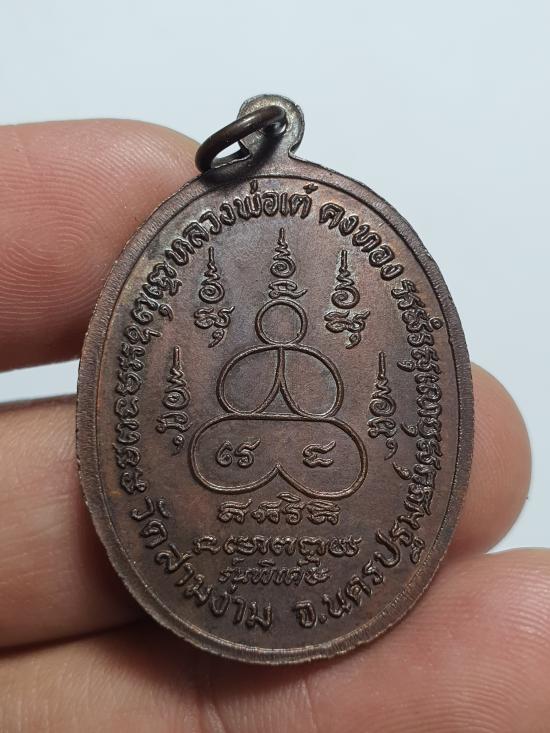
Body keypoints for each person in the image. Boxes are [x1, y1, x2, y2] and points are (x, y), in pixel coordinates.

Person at [0, 119, 544, 732]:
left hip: (299, 443)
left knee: (308, 449)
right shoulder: (254, 366)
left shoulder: (310, 368)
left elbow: (321, 405)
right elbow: (238, 404)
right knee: (242, 446)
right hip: (253, 442)